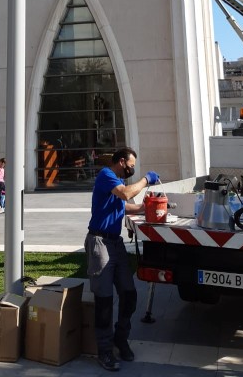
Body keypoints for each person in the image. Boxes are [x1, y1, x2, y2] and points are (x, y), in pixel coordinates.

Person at [85, 146, 160, 372]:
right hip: (100, 243)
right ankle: (105, 351)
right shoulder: (107, 175)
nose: (132, 169)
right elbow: (126, 194)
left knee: (129, 294)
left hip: (115, 243)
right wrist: (147, 179)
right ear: (120, 161)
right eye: (131, 165)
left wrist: (148, 207)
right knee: (105, 300)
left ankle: (120, 338)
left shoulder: (116, 182)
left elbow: (124, 204)